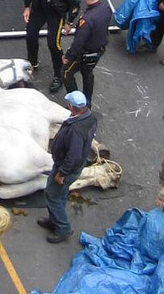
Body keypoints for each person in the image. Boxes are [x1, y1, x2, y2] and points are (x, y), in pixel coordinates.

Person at [37, 91, 97, 243]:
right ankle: (54, 220)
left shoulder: (76, 129)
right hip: (72, 166)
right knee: (61, 194)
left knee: (52, 195)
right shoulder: (89, 117)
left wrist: (61, 173)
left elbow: (74, 155)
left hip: (66, 168)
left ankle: (63, 228)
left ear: (72, 107)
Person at [23, 0, 81, 92]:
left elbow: (75, 4)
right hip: (39, 7)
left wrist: (69, 21)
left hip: (56, 11)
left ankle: (58, 74)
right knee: (30, 35)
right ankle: (32, 62)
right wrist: (27, 6)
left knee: (53, 43)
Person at [62, 0, 112, 108]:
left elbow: (79, 41)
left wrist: (68, 56)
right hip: (99, 50)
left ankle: (77, 104)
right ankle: (87, 102)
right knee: (87, 73)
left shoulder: (87, 18)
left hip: (85, 53)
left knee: (66, 72)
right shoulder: (106, 9)